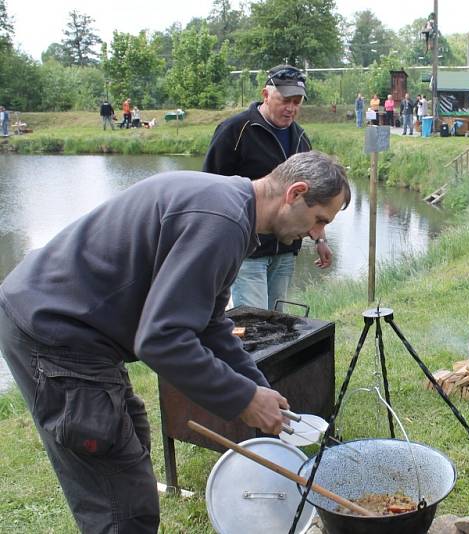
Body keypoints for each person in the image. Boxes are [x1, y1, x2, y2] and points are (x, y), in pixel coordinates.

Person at [0, 150, 352, 533]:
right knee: (121, 504)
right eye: (320, 220)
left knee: (131, 445)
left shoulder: (234, 211)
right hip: (54, 334)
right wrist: (244, 400)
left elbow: (210, 323)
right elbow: (161, 340)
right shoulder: (222, 222)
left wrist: (258, 386)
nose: (317, 234)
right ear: (295, 193)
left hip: (79, 331)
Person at [204, 64, 332, 312]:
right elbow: (210, 187)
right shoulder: (235, 130)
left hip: (286, 249)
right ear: (265, 94)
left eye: (297, 102)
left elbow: (311, 199)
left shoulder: (302, 138)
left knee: (276, 320)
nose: (291, 108)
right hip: (247, 249)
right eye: (285, 100)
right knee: (255, 321)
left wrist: (319, 239)